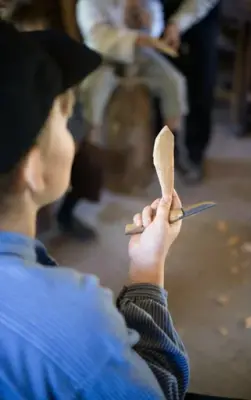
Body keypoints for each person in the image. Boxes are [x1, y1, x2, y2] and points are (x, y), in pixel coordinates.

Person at [0, 19, 189, 399]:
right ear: (34, 170)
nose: (72, 137)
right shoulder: (72, 321)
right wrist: (147, 273)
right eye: (64, 120)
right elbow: (157, 391)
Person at [8, 1, 103, 240]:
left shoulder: (55, 76)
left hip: (64, 142)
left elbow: (78, 111)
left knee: (88, 173)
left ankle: (66, 216)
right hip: (35, 159)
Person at [76, 0, 187, 141]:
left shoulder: (146, 2)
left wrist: (147, 22)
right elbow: (97, 38)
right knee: (93, 88)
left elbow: (155, 30)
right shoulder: (90, 3)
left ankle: (172, 145)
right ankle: (91, 143)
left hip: (142, 55)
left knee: (174, 82)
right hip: (103, 56)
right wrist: (134, 38)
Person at [159, 0, 221, 184]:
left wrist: (176, 24)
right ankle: (162, 151)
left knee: (201, 81)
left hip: (200, 10)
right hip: (157, 7)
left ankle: (195, 153)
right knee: (160, 75)